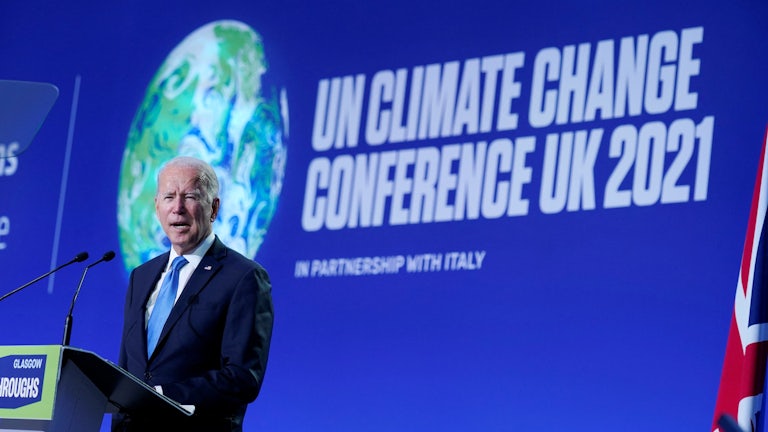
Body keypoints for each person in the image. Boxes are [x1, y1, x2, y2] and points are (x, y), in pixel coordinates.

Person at [112, 156, 274, 432]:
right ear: (156, 206)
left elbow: (242, 378)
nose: (178, 208)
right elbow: (128, 368)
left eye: (190, 196)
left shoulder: (243, 278)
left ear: (214, 208)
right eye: (169, 197)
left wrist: (162, 396)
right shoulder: (142, 276)